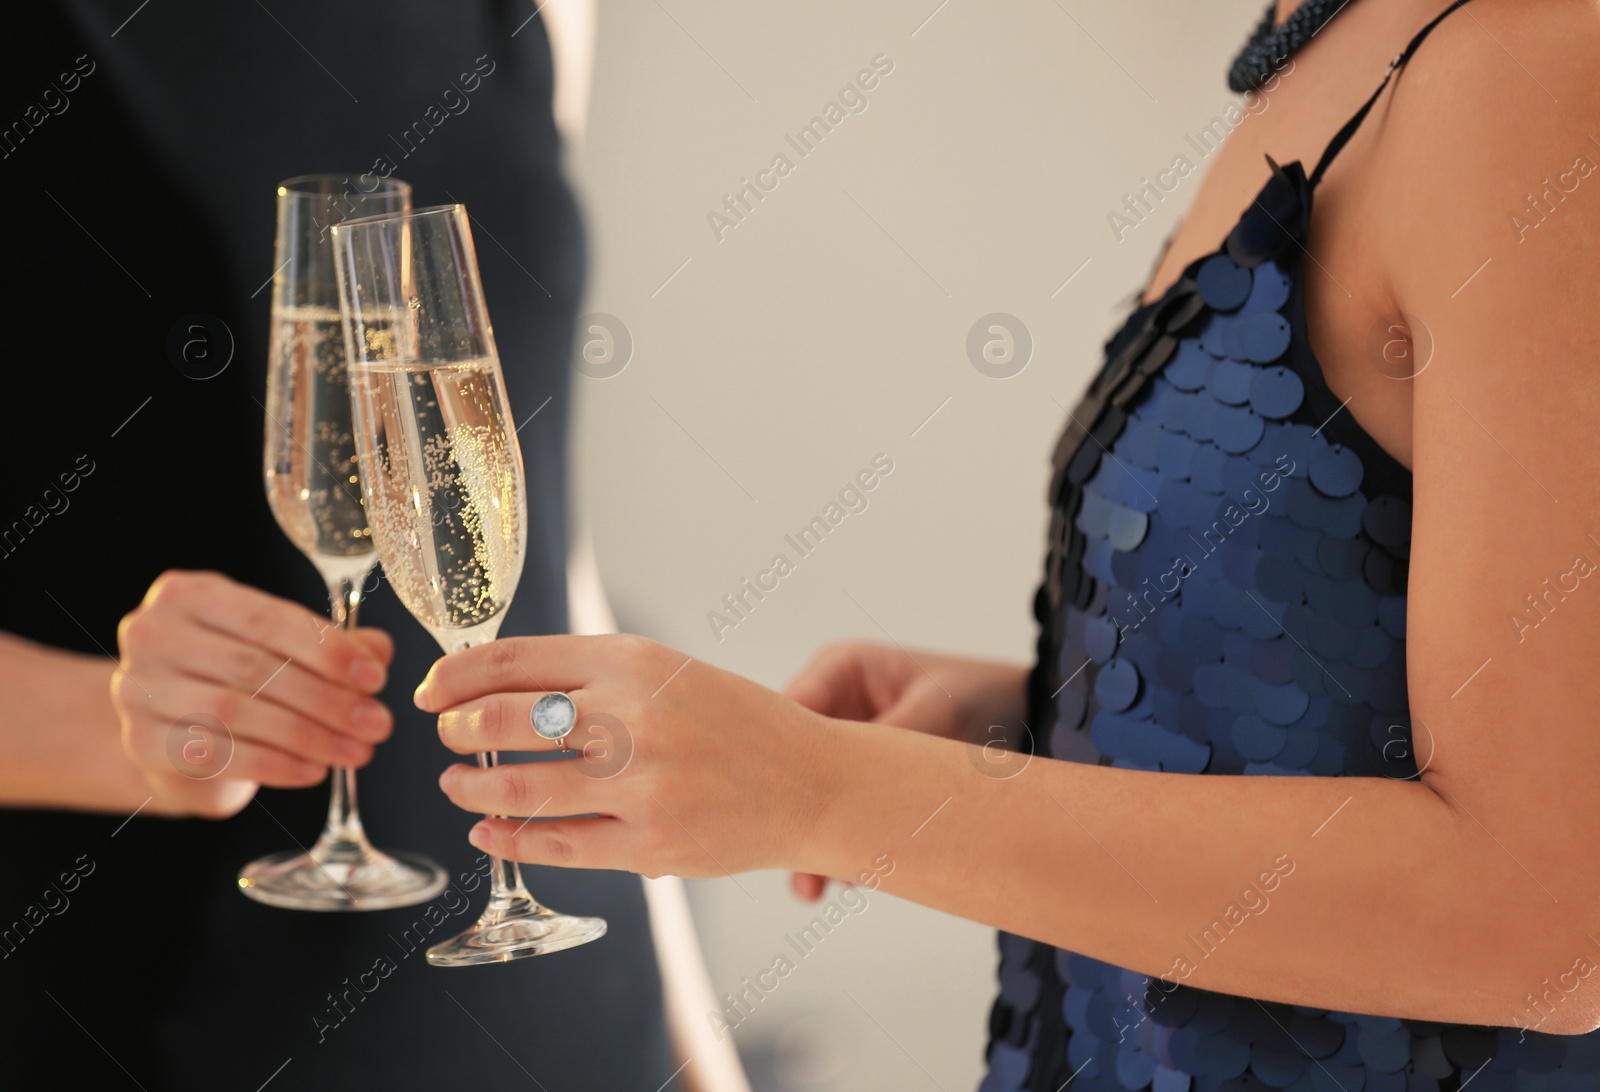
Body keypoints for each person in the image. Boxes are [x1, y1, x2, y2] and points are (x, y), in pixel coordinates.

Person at [415, 0, 1600, 1088]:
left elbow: (1550, 920)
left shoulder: (1527, 64)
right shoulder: (1333, 43)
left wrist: (823, 792)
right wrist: (1041, 719)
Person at [0, 2, 676, 1087]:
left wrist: (699, 1042)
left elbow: (547, 538)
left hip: (567, 1006)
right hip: (175, 1017)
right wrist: (112, 728)